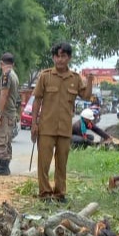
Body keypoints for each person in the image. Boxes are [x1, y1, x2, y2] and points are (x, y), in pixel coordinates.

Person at [30, 42, 94, 202]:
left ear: (69, 58)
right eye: (57, 56)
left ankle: (60, 193)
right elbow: (37, 100)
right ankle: (45, 193)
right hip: (46, 127)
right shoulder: (45, 76)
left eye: (63, 56)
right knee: (43, 163)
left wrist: (90, 81)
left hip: (65, 129)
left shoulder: (75, 78)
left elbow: (86, 96)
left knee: (62, 163)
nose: (59, 59)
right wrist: (34, 124)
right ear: (53, 57)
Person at [0, 52, 21, 176]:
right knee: (7, 139)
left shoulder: (6, 75)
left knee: (1, 137)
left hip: (4, 113)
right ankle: (5, 164)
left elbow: (4, 94)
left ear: (1, 64)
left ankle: (2, 166)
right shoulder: (14, 75)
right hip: (10, 113)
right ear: (13, 64)